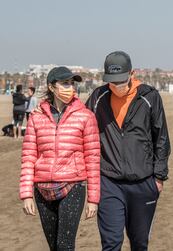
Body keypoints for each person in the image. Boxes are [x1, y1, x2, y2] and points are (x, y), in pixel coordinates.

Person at [85, 51, 171, 251]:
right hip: (109, 182)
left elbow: (162, 139)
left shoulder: (150, 97)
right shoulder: (98, 97)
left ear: (132, 74)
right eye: (112, 82)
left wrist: (158, 177)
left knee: (139, 243)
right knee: (111, 243)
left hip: (144, 183)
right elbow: (77, 122)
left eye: (121, 81)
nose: (116, 87)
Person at [20, 66, 100, 251]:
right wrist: (26, 194)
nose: (70, 87)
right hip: (42, 189)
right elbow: (28, 156)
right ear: (51, 87)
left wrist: (93, 199)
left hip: (74, 185)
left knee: (65, 245)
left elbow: (93, 158)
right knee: (54, 246)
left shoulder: (86, 116)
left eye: (72, 83)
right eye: (65, 83)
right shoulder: (36, 117)